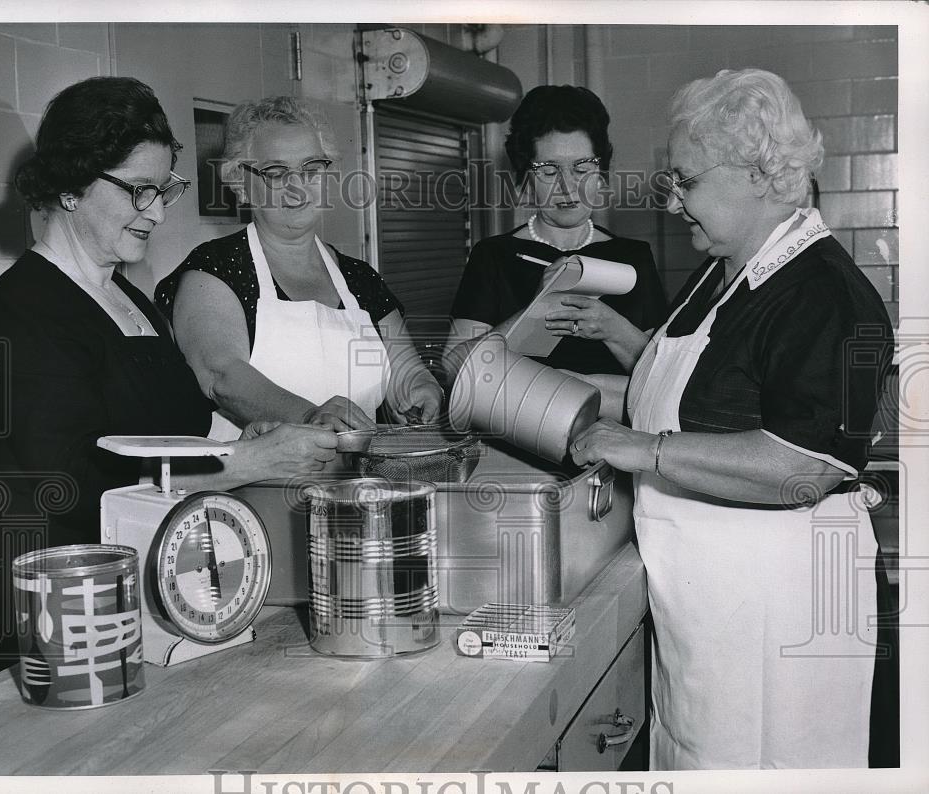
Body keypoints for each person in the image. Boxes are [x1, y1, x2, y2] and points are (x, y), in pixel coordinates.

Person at [0, 77, 337, 694]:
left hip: (134, 593)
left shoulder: (123, 294)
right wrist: (241, 463)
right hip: (46, 620)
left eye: (165, 189)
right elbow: (71, 480)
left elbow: (170, 423)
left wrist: (236, 437)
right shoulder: (23, 307)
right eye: (138, 190)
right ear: (72, 186)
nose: (156, 211)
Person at [570, 69, 894, 769]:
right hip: (711, 609)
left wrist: (648, 450)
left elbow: (800, 467)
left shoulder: (823, 293)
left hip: (779, 611)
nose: (673, 200)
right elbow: (679, 397)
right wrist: (564, 392)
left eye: (685, 181)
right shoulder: (723, 274)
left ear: (759, 173)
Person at [155, 97, 443, 440]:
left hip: (355, 485)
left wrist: (421, 389)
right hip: (251, 487)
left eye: (311, 169)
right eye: (276, 173)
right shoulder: (214, 270)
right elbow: (221, 377)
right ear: (241, 182)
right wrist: (309, 416)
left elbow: (405, 374)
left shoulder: (360, 279)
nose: (297, 186)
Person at [446, 85, 667, 377]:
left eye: (582, 168)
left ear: (601, 175)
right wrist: (536, 310)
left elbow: (665, 381)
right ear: (526, 178)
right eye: (549, 171)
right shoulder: (493, 256)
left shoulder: (633, 257)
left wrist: (612, 328)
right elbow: (453, 370)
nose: (567, 186)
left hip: (614, 422)